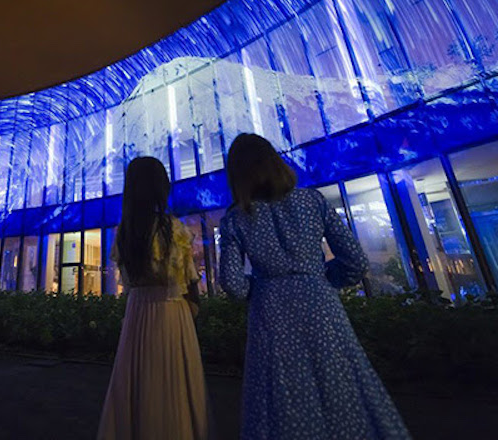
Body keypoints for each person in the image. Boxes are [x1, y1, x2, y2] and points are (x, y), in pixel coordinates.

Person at [219, 133, 411, 440]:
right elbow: (356, 261)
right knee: (340, 386)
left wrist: (261, 287)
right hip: (321, 305)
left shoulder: (236, 219)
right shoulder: (313, 201)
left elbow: (233, 285)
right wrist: (321, 277)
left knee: (279, 396)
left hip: (271, 314)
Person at [98, 156, 210, 440]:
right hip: (171, 314)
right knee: (173, 384)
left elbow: (128, 280)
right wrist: (193, 308)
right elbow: (189, 281)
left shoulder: (124, 232)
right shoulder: (173, 229)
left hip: (137, 313)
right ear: (161, 187)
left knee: (136, 381)